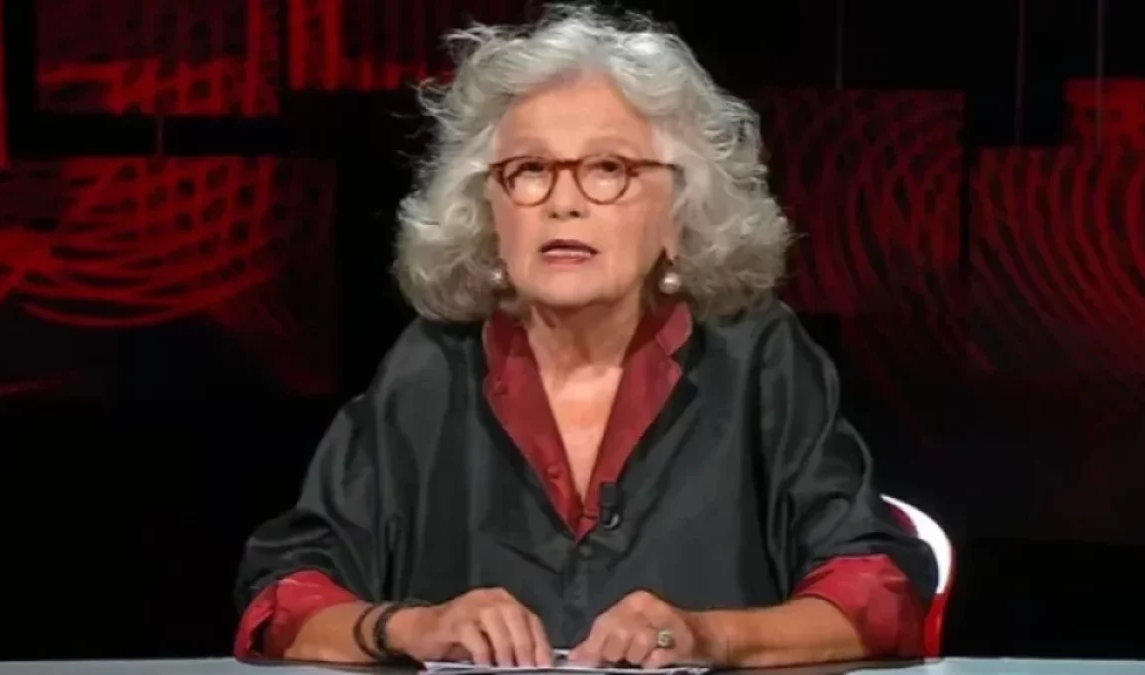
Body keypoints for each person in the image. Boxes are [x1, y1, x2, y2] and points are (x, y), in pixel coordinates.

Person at [233, 4, 937, 669]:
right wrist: (407, 627)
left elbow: (877, 590)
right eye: (530, 171)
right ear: (490, 212)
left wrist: (706, 636)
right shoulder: (429, 367)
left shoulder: (758, 359)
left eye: (609, 169)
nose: (563, 201)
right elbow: (284, 595)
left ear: (679, 212)